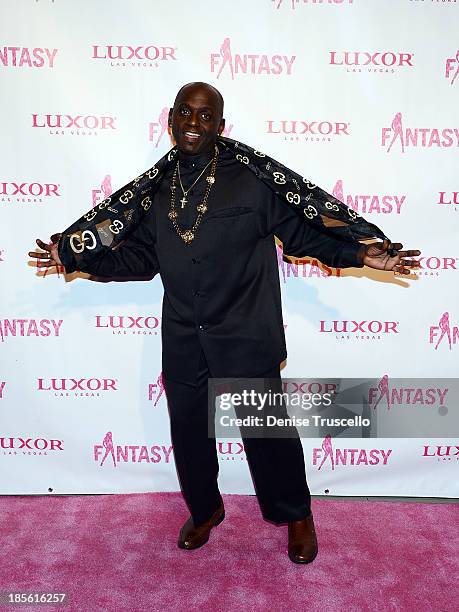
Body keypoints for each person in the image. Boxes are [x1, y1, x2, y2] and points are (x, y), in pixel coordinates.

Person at [29, 82, 421, 564]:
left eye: (206, 115)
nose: (194, 123)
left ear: (219, 124)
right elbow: (142, 257)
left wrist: (361, 253)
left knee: (266, 433)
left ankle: (296, 514)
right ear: (170, 119)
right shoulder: (154, 190)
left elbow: (302, 233)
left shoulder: (252, 180)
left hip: (246, 331)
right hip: (183, 337)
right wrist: (76, 259)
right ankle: (206, 509)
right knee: (190, 432)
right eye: (186, 113)